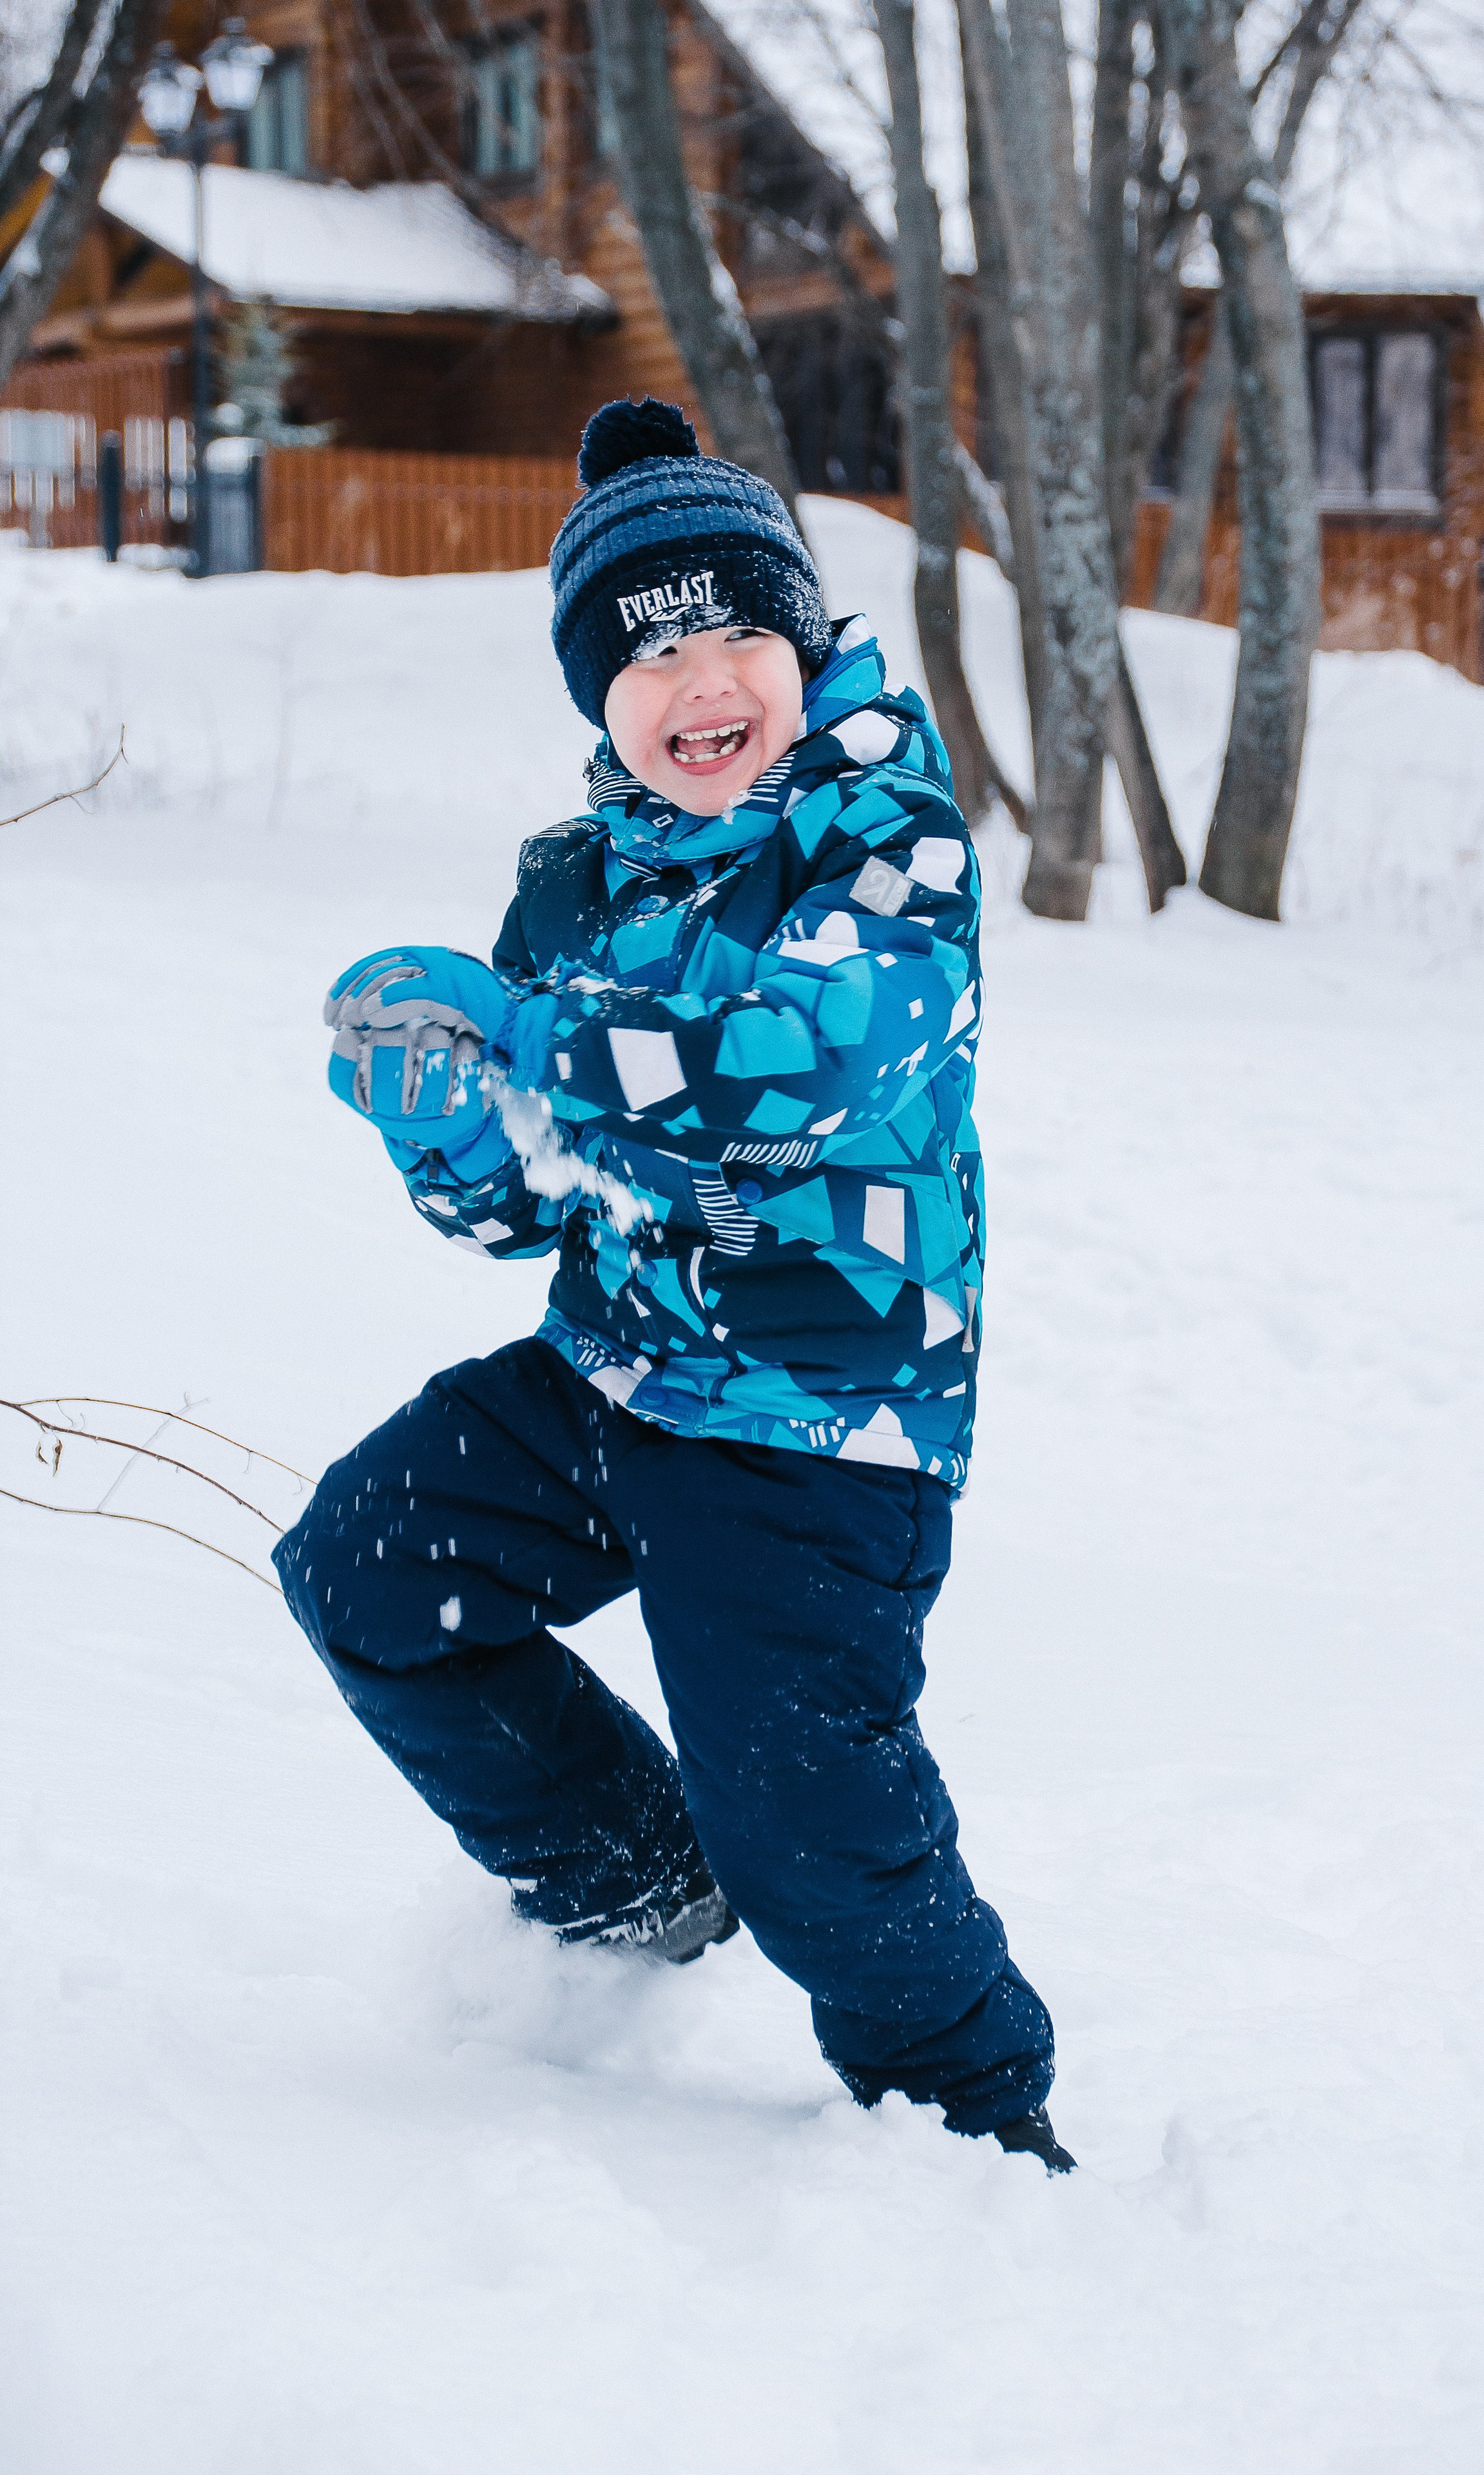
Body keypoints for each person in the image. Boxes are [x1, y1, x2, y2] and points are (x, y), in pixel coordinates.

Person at [275, 396, 1072, 2172]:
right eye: (651, 657)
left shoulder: (884, 832)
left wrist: (530, 1045)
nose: (701, 682)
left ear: (797, 644)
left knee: (808, 1806)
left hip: (819, 1418)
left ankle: (969, 2120)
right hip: (610, 1370)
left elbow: (819, 1053)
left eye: (735, 635)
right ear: (597, 700)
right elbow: (515, 1209)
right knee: (369, 1570)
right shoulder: (567, 890)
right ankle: (640, 1884)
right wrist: (442, 1124)